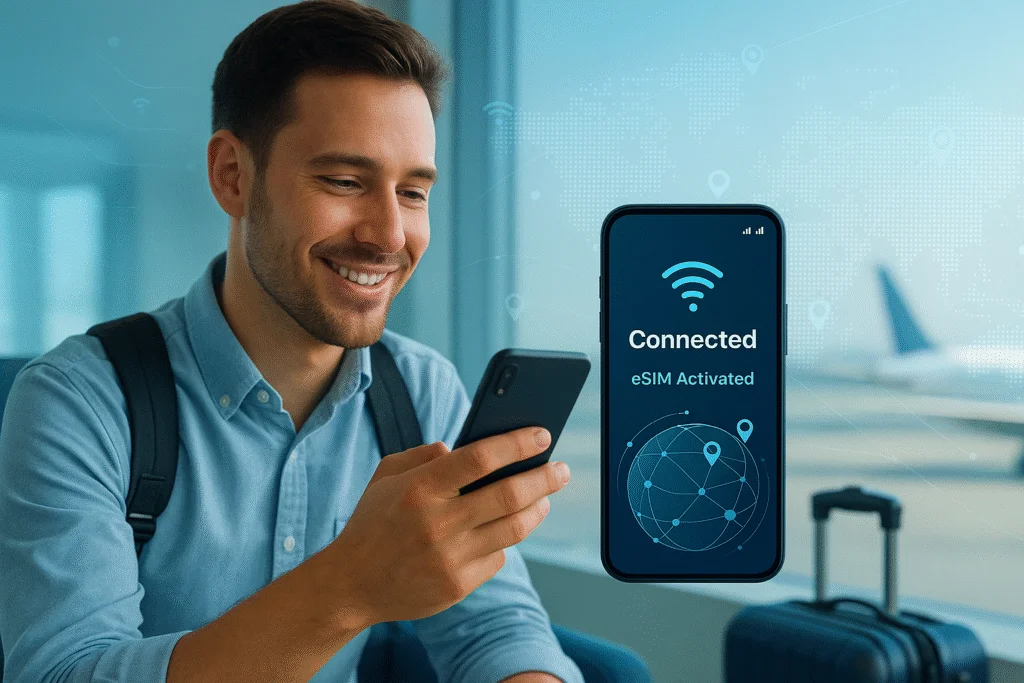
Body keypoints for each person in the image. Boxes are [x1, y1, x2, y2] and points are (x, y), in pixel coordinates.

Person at [0, 1, 584, 681]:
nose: (391, 235)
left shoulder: (423, 391)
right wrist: (349, 583)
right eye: (344, 181)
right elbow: (63, 672)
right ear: (233, 176)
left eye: (414, 192)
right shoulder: (79, 401)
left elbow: (494, 626)